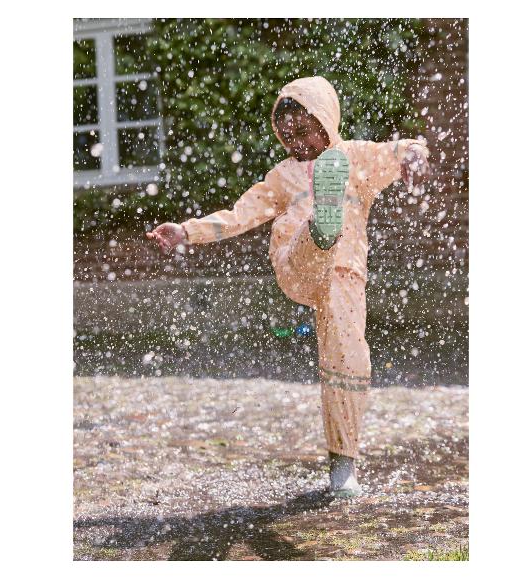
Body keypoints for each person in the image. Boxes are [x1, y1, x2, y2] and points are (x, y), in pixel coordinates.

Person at [147, 76, 429, 497]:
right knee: (310, 243)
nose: (296, 142)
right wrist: (186, 232)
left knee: (348, 357)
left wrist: (413, 155)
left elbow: (400, 148)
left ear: (325, 120)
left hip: (346, 278)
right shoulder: (282, 175)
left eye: (304, 131)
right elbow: (240, 214)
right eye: (287, 136)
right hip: (296, 264)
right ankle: (321, 227)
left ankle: (343, 465)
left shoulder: (354, 157)